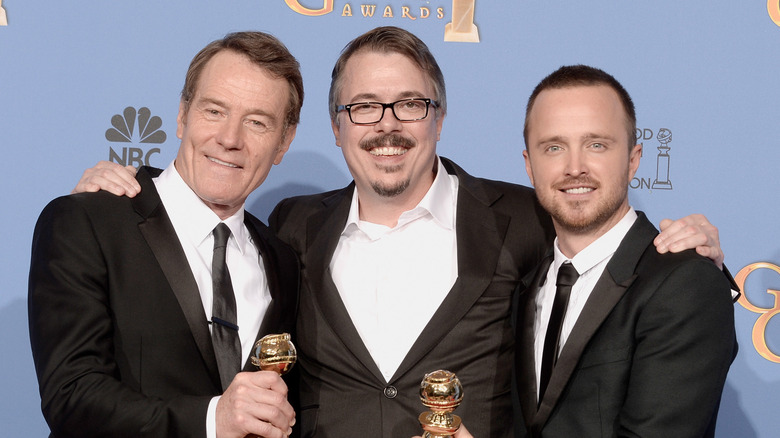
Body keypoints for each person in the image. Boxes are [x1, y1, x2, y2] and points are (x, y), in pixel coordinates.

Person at [72, 27, 728, 438]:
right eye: (363, 106)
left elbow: (608, 250)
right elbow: (195, 215)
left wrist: (703, 257)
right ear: (333, 127)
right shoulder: (293, 228)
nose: (387, 124)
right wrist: (133, 191)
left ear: (438, 118)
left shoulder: (522, 216)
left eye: (409, 104)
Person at [28, 32, 303, 438]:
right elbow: (71, 396)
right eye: (214, 111)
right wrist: (213, 420)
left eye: (257, 122)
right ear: (181, 115)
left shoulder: (282, 260)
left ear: (284, 143)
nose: (229, 139)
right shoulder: (87, 222)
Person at [507, 65, 735, 437]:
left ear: (633, 160)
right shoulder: (525, 285)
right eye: (553, 147)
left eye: (596, 145)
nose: (574, 167)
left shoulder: (685, 284)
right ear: (529, 166)